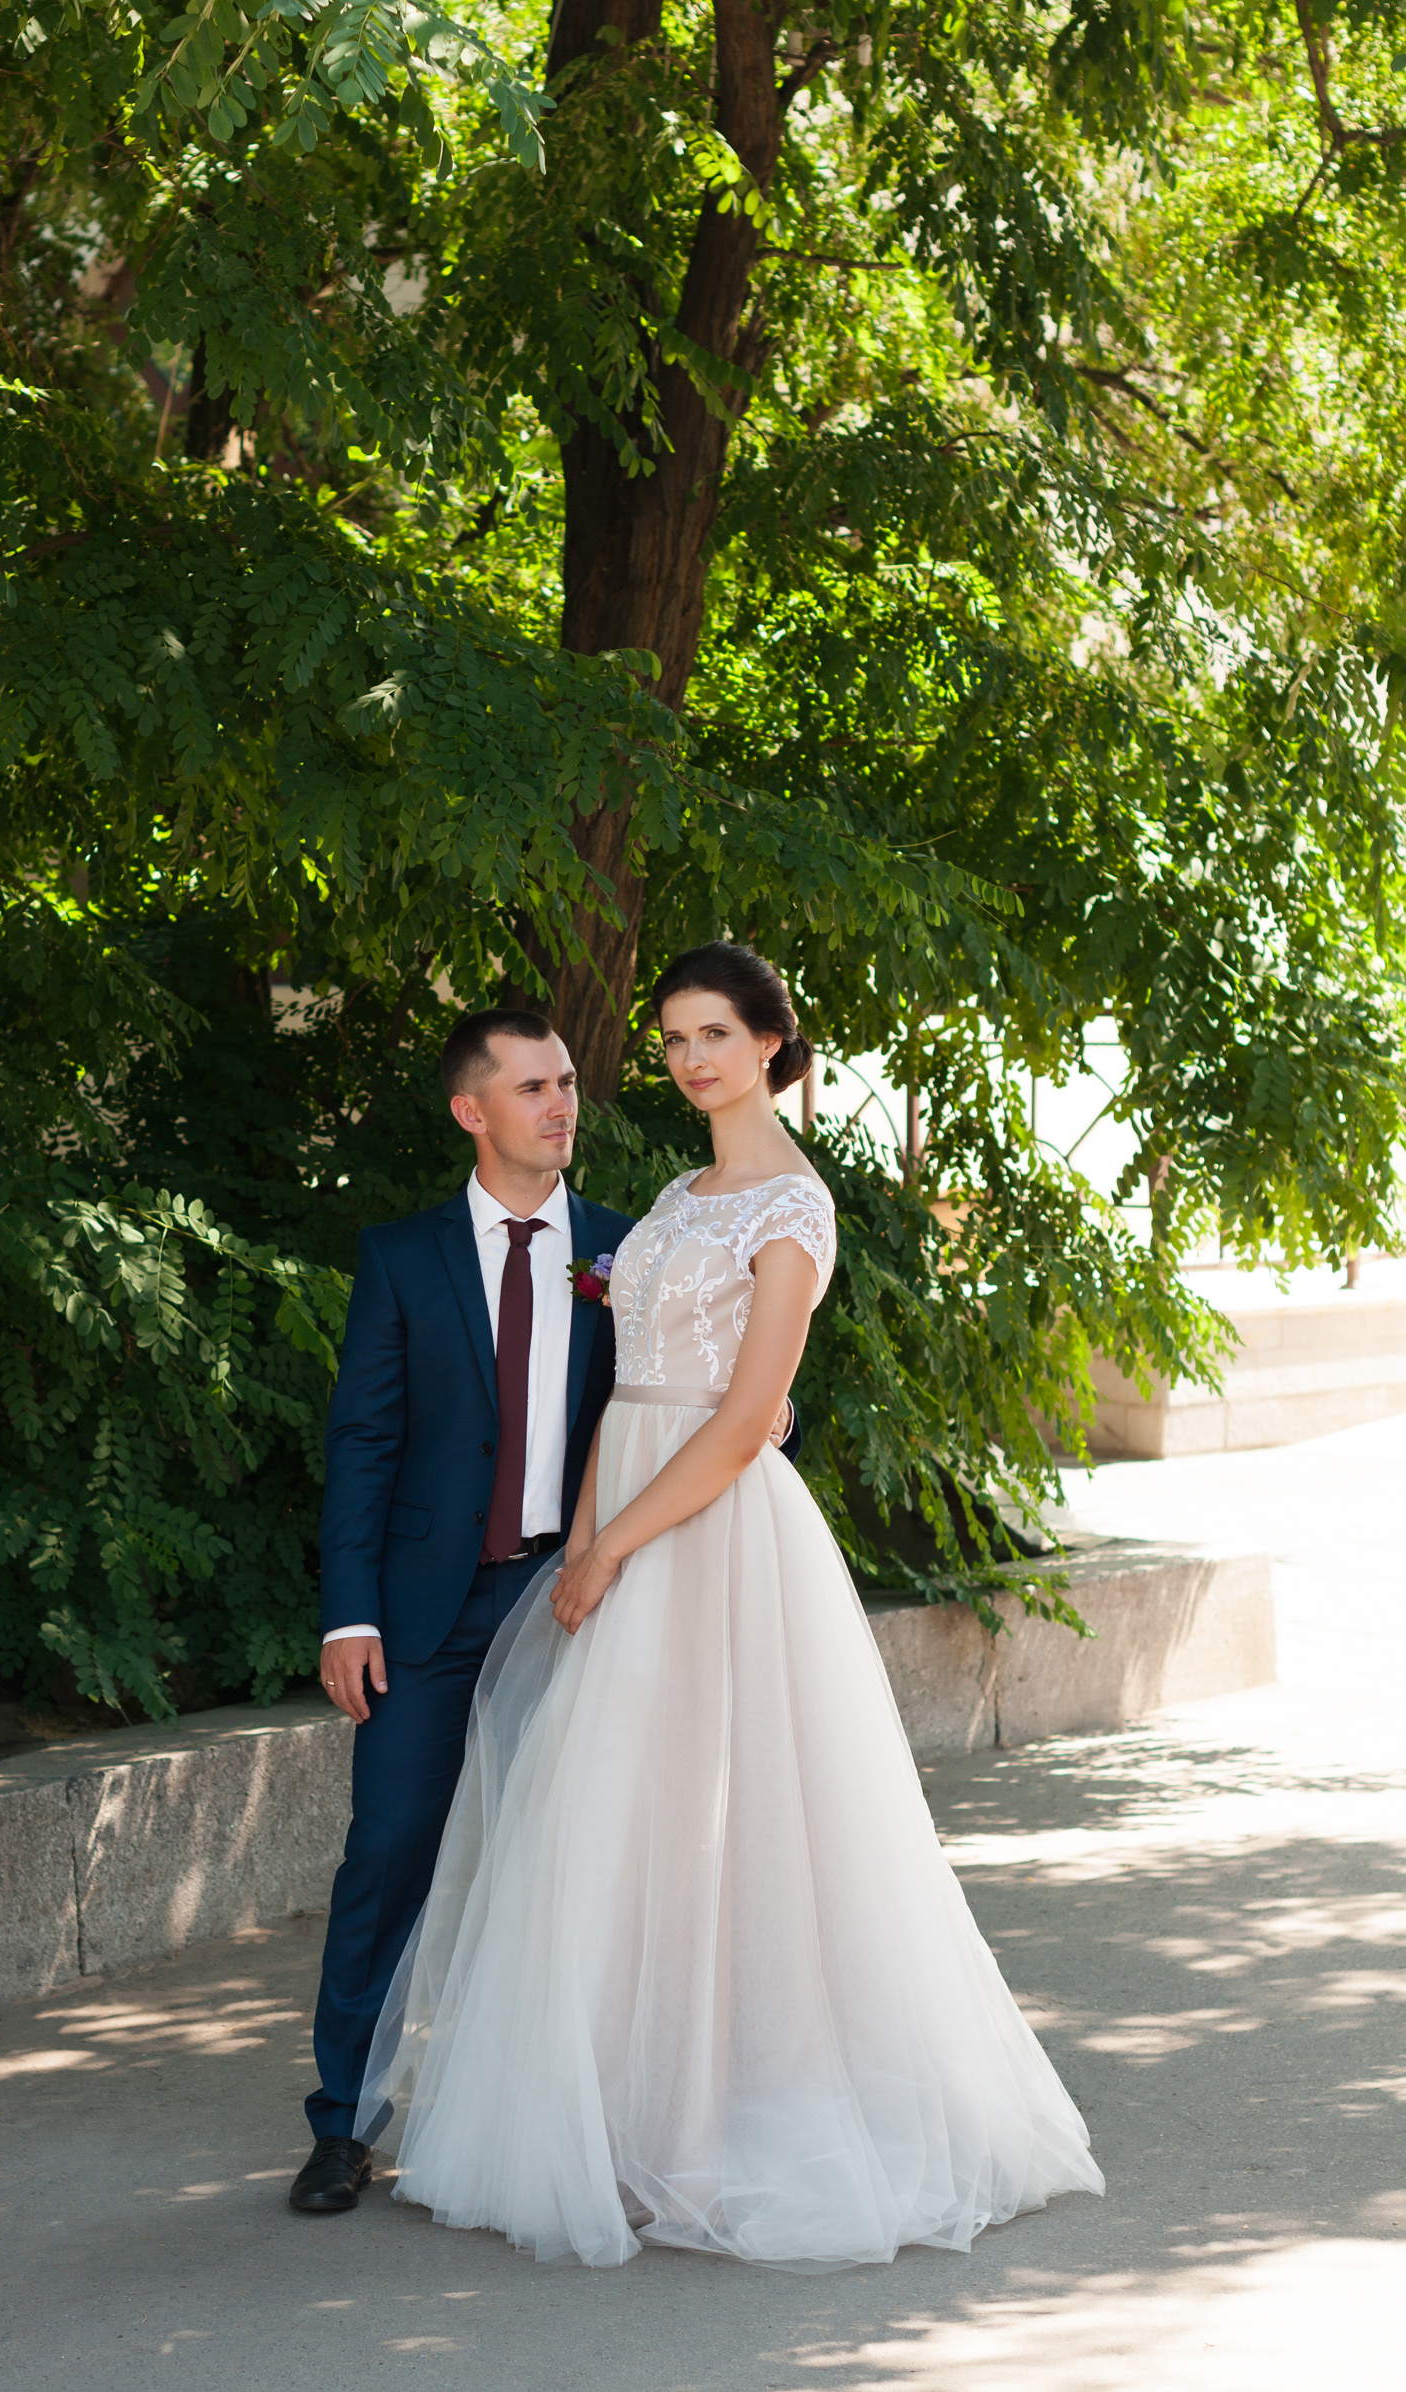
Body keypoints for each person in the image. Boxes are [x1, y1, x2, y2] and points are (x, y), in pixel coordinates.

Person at [353, 943, 1105, 2269]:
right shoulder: (672, 1192)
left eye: (713, 1032)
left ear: (770, 1042)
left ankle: (716, 2130)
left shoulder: (793, 1208)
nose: (689, 1058)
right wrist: (585, 1536)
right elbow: (628, 1384)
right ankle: (626, 2124)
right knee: (614, 1819)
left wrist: (616, 1547)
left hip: (713, 1535)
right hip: (627, 1512)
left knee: (731, 1826)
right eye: (672, 1037)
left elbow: (750, 1416)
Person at [290, 1005, 797, 2216]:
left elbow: (717, 1380)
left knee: (585, 1858)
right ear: (471, 1110)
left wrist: (776, 1419)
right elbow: (362, 1442)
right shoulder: (400, 1257)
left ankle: (573, 2118)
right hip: (423, 1609)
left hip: (583, 1590)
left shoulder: (635, 1244)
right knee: (388, 1855)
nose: (561, 1104)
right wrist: (348, 1615)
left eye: (567, 1082)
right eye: (532, 1088)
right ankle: (343, 2123)